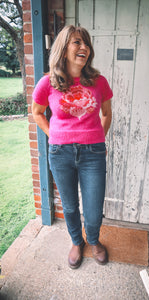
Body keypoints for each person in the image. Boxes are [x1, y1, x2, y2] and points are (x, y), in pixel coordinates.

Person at [32, 25, 113, 269]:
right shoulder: (48, 82)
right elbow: (37, 113)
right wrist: (54, 134)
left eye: (87, 44)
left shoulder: (99, 82)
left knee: (93, 207)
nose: (84, 48)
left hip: (93, 154)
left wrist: (96, 138)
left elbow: (106, 114)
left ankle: (94, 240)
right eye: (77, 42)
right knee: (69, 205)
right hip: (60, 153)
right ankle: (77, 242)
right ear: (64, 48)